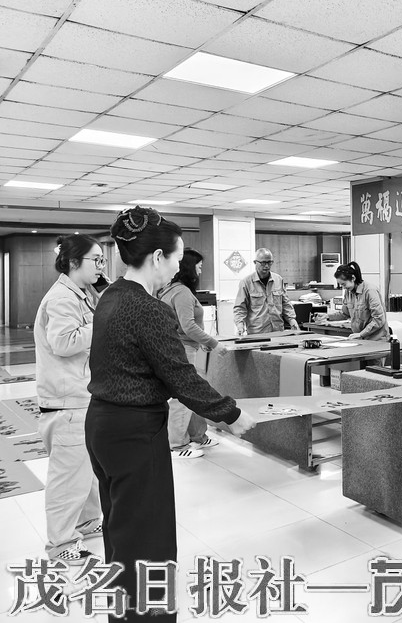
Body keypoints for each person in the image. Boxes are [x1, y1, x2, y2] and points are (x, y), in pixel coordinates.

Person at [85, 207, 256, 622]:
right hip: (133, 432)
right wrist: (231, 414)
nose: (180, 268)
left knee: (122, 530)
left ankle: (123, 612)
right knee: (149, 538)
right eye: (178, 258)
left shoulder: (112, 295)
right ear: (158, 257)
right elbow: (180, 375)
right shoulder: (148, 307)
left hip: (103, 424)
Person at [33, 234, 106, 564]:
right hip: (66, 404)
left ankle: (86, 522)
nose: (101, 266)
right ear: (74, 262)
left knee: (84, 471)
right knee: (68, 480)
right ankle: (61, 544)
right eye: (96, 259)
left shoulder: (81, 294)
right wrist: (103, 322)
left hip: (78, 399)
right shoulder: (62, 298)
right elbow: (64, 343)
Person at [158, 248, 226, 459]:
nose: (200, 271)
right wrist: (213, 343)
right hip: (184, 350)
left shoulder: (172, 290)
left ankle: (198, 435)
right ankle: (176, 445)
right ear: (189, 267)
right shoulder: (182, 292)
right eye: (199, 267)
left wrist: (201, 342)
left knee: (194, 393)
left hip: (184, 347)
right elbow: (188, 326)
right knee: (183, 397)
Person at [233, 248, 298, 335]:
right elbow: (240, 307)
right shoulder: (246, 282)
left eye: (269, 262)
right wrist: (240, 326)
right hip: (257, 333)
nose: (267, 266)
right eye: (263, 263)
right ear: (255, 262)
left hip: (278, 331)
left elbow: (285, 303)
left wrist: (292, 320)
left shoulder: (278, 280)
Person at [317, 261, 388, 341]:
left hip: (376, 340)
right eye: (341, 285)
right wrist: (327, 316)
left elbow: (379, 319)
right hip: (360, 339)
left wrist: (361, 334)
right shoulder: (348, 292)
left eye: (344, 284)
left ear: (353, 278)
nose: (343, 287)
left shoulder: (370, 291)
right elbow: (345, 314)